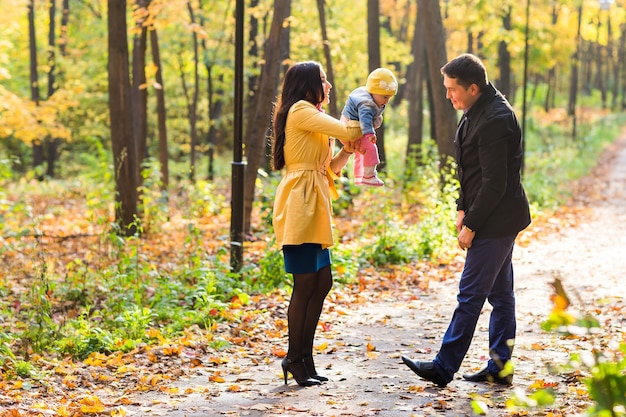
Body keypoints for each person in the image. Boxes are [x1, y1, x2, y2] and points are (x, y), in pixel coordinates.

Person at [401, 53, 531, 387]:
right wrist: (461, 207)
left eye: (452, 89)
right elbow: (468, 170)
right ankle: (500, 367)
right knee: (501, 296)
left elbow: (495, 183)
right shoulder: (474, 111)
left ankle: (444, 367)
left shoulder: (496, 119)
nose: (448, 96)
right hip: (485, 213)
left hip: (498, 219)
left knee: (470, 295)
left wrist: (472, 225)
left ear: (473, 88)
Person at [271, 61, 362, 387]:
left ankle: (304, 357)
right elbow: (350, 130)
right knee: (306, 284)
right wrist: (365, 106)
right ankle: (294, 358)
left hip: (315, 203)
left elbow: (329, 168)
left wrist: (347, 154)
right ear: (308, 84)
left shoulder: (310, 115)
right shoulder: (300, 110)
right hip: (300, 206)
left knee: (321, 282)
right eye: (323, 80)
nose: (328, 86)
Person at [341, 67, 398, 187]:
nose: (387, 101)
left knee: (361, 151)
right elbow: (365, 119)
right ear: (373, 91)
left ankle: (359, 176)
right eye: (385, 97)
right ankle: (369, 176)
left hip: (348, 124)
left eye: (389, 97)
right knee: (371, 149)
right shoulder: (367, 104)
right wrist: (369, 133)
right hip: (350, 129)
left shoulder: (367, 93)